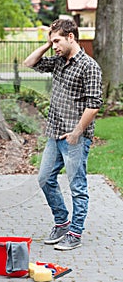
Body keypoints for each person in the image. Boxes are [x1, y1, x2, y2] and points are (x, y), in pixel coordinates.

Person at [24, 19, 102, 250]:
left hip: (75, 137)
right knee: (45, 179)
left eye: (57, 40)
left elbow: (94, 103)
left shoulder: (89, 66)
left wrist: (77, 132)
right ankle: (61, 222)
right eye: (51, 41)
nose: (54, 45)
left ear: (71, 37)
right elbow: (29, 62)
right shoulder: (58, 61)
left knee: (77, 186)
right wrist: (49, 44)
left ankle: (75, 233)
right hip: (54, 133)